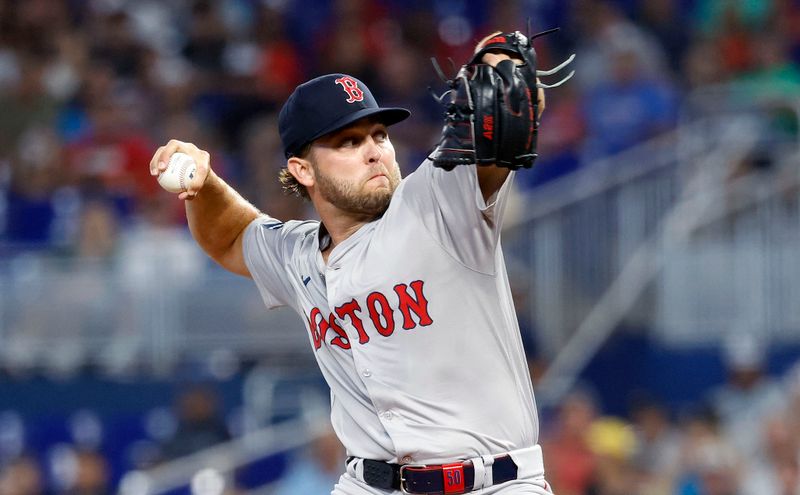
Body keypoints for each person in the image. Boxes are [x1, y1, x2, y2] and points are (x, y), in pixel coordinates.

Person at [149, 31, 555, 495]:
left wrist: (505, 66)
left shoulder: (438, 199)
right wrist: (203, 186)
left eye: (379, 134)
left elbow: (503, 125)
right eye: (348, 141)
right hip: (368, 483)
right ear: (303, 170)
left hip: (491, 484)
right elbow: (231, 236)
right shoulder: (296, 252)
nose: (375, 150)